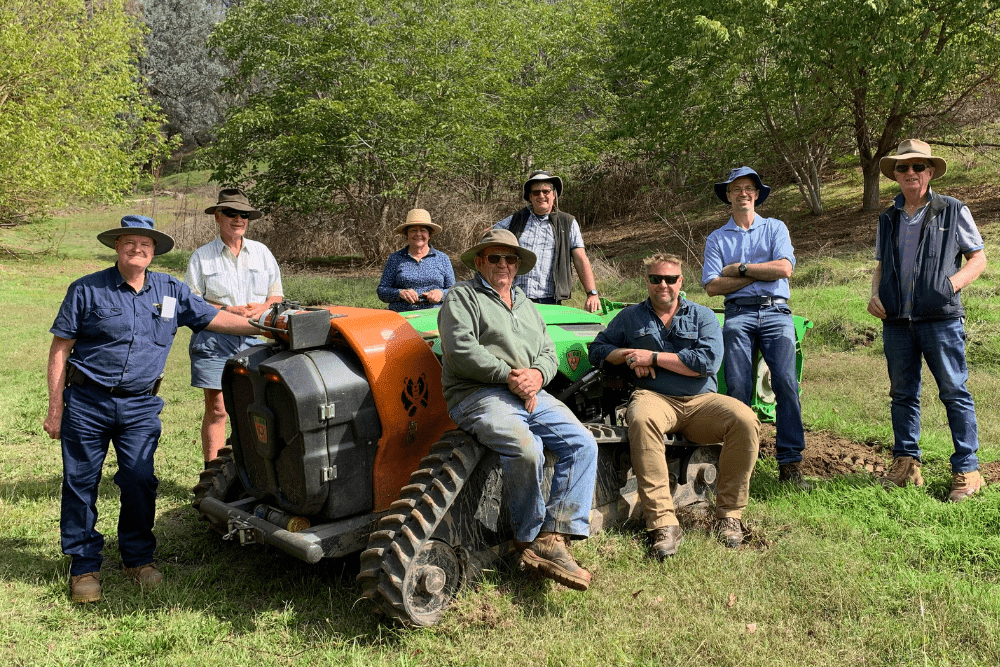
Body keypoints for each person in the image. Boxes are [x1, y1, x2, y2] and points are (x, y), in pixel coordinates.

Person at [44, 215, 261, 604]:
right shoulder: (86, 290)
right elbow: (61, 349)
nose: (138, 249)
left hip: (141, 405)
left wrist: (264, 327)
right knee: (80, 484)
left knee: (140, 479)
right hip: (87, 403)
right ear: (117, 247)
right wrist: (56, 408)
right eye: (130, 243)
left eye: (145, 244)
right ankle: (84, 567)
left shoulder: (170, 290)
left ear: (153, 250)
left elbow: (214, 318)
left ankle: (138, 559)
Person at [438, 229, 599, 590]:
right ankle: (527, 539)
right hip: (478, 394)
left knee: (584, 444)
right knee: (528, 449)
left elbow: (547, 352)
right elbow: (461, 350)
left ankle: (553, 536)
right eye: (495, 258)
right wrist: (511, 377)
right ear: (480, 261)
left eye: (510, 259)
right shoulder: (462, 297)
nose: (504, 265)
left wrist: (538, 375)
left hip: (529, 393)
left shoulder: (525, 303)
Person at [590, 253, 760, 557]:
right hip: (654, 398)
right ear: (647, 281)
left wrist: (652, 357)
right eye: (656, 279)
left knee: (744, 419)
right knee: (641, 419)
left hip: (700, 401)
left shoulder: (703, 316)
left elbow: (706, 362)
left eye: (670, 279)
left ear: (681, 281)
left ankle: (730, 515)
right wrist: (630, 354)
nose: (663, 285)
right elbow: (599, 350)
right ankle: (663, 524)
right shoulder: (630, 317)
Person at [867, 139, 987, 502]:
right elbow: (880, 264)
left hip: (940, 318)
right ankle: (907, 463)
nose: (910, 173)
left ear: (930, 171)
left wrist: (949, 286)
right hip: (897, 321)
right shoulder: (887, 217)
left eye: (917, 167)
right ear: (896, 176)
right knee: (903, 394)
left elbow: (978, 259)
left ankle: (967, 468)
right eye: (903, 168)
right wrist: (874, 295)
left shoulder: (951, 209)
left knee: (954, 391)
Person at [702, 166, 808, 489]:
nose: (743, 193)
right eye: (737, 189)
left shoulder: (775, 228)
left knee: (787, 384)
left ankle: (790, 463)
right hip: (738, 315)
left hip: (777, 313)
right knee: (737, 387)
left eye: (749, 188)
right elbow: (712, 286)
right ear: (729, 196)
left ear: (757, 195)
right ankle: (740, 462)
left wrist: (741, 269)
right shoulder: (716, 238)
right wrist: (760, 274)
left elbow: (785, 269)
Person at [185, 188, 283, 466]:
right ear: (218, 217)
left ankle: (252, 471)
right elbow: (192, 304)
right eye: (231, 213)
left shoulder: (262, 253)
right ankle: (212, 473)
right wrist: (229, 309)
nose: (238, 219)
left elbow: (276, 295)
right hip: (215, 341)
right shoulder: (201, 257)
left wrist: (264, 308)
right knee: (218, 410)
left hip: (256, 341)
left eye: (244, 214)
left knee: (255, 409)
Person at [493, 170, 601, 313]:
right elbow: (490, 236)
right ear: (530, 196)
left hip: (550, 300)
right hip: (515, 297)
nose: (541, 196)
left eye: (546, 191)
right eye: (536, 192)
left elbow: (580, 258)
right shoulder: (516, 219)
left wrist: (592, 293)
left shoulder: (567, 222)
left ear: (554, 194)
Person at [377, 208, 455, 312]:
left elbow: (454, 291)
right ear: (407, 235)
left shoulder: (442, 258)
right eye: (413, 230)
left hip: (437, 314)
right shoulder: (395, 258)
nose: (418, 234)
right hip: (402, 314)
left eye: (423, 230)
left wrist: (441, 294)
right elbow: (382, 291)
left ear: (429, 235)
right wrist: (400, 293)